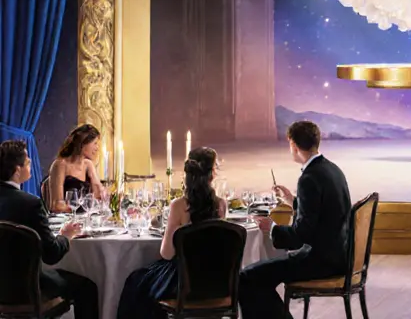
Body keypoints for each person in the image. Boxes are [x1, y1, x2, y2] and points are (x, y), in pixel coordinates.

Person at [240, 121, 352, 319]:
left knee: (247, 277)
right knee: (259, 276)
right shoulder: (332, 169)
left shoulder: (308, 178)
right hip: (339, 254)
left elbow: (301, 236)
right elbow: (323, 212)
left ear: (293, 145)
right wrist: (293, 201)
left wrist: (272, 227)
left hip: (321, 260)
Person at [117, 148, 226, 318]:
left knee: (136, 282)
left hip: (185, 283)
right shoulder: (221, 205)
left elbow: (167, 254)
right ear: (212, 174)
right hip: (216, 282)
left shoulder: (179, 205)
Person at [0, 140, 99, 319]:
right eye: (27, 161)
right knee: (87, 287)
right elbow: (51, 255)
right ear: (17, 170)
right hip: (27, 289)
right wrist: (65, 236)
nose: (30, 163)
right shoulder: (30, 204)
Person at [46, 123, 108, 211]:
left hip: (83, 218)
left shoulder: (88, 165)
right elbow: (57, 205)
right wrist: (77, 210)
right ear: (82, 143)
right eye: (95, 143)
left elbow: (98, 195)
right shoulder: (60, 165)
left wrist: (103, 192)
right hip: (65, 220)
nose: (97, 148)